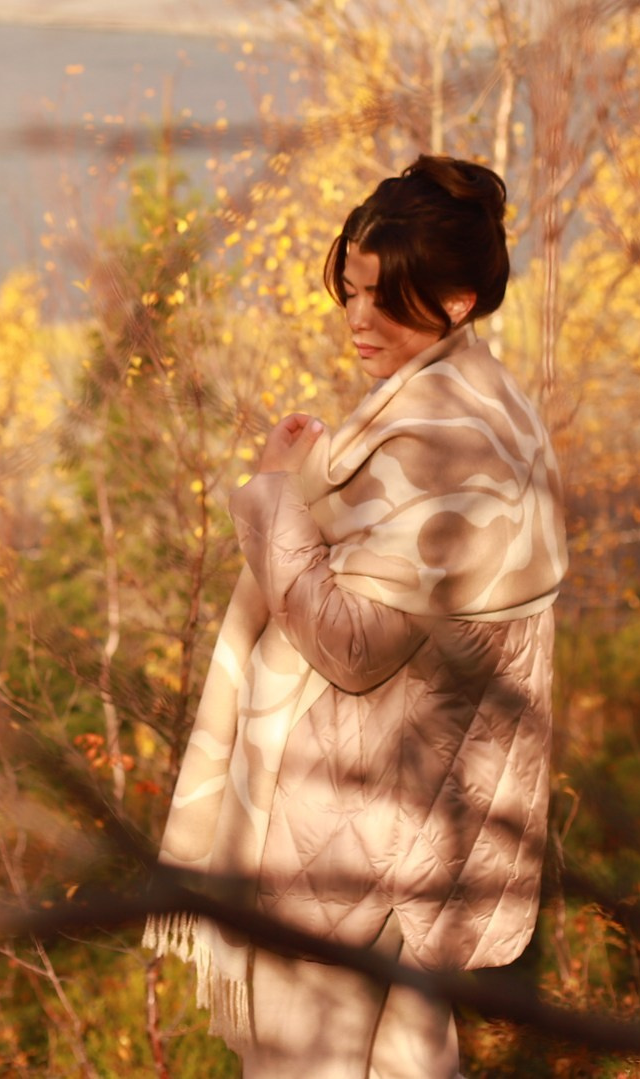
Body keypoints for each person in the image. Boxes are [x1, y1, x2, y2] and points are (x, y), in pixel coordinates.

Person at [145, 155, 566, 1079]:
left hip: (356, 813)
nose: (356, 321)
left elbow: (351, 647)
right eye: (351, 292)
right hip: (422, 813)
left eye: (383, 299)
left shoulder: (439, 439)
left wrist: (275, 500)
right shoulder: (489, 406)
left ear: (456, 300)